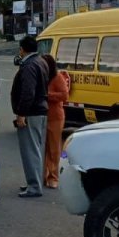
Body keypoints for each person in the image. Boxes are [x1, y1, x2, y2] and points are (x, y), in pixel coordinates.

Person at [11, 35, 49, 198]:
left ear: (22, 49)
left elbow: (28, 92)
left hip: (31, 112)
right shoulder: (41, 62)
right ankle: (34, 182)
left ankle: (34, 186)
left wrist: (21, 114)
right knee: (36, 150)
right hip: (40, 110)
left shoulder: (28, 66)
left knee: (30, 150)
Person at [42, 54, 70, 189]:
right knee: (43, 149)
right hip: (42, 116)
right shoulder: (41, 76)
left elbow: (65, 95)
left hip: (55, 117)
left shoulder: (57, 77)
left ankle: (54, 177)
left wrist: (48, 95)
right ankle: (43, 176)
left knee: (54, 149)